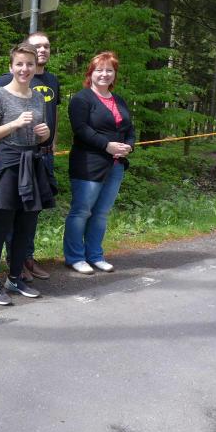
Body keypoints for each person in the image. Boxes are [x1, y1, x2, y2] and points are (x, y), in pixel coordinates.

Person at [0, 43, 56, 305]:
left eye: (29, 64)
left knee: (26, 226)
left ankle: (15, 278)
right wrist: (14, 124)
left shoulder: (38, 97)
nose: (24, 69)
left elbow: (42, 135)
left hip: (32, 164)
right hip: (8, 165)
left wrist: (45, 134)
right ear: (11, 67)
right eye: (19, 64)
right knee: (3, 225)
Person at [63, 51, 135, 274]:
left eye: (109, 70)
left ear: (115, 74)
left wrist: (129, 146)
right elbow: (81, 129)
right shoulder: (81, 99)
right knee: (82, 211)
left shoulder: (119, 100)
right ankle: (75, 257)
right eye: (99, 70)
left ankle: (95, 255)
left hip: (116, 165)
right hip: (88, 164)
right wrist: (107, 145)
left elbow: (129, 129)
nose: (104, 74)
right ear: (90, 73)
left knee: (101, 213)